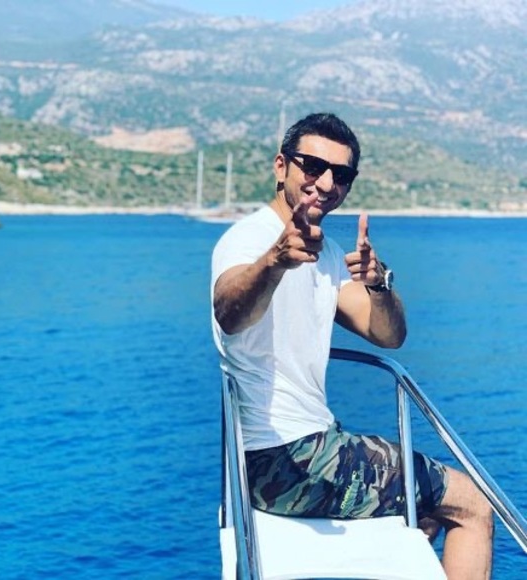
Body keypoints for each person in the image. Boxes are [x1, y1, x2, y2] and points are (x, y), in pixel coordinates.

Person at [211, 112, 493, 579]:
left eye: (341, 175)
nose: (325, 183)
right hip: (285, 459)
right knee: (472, 505)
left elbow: (388, 336)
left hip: (308, 446)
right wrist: (275, 262)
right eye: (312, 166)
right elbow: (229, 312)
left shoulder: (325, 252)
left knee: (423, 516)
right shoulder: (249, 241)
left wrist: (379, 284)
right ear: (281, 166)